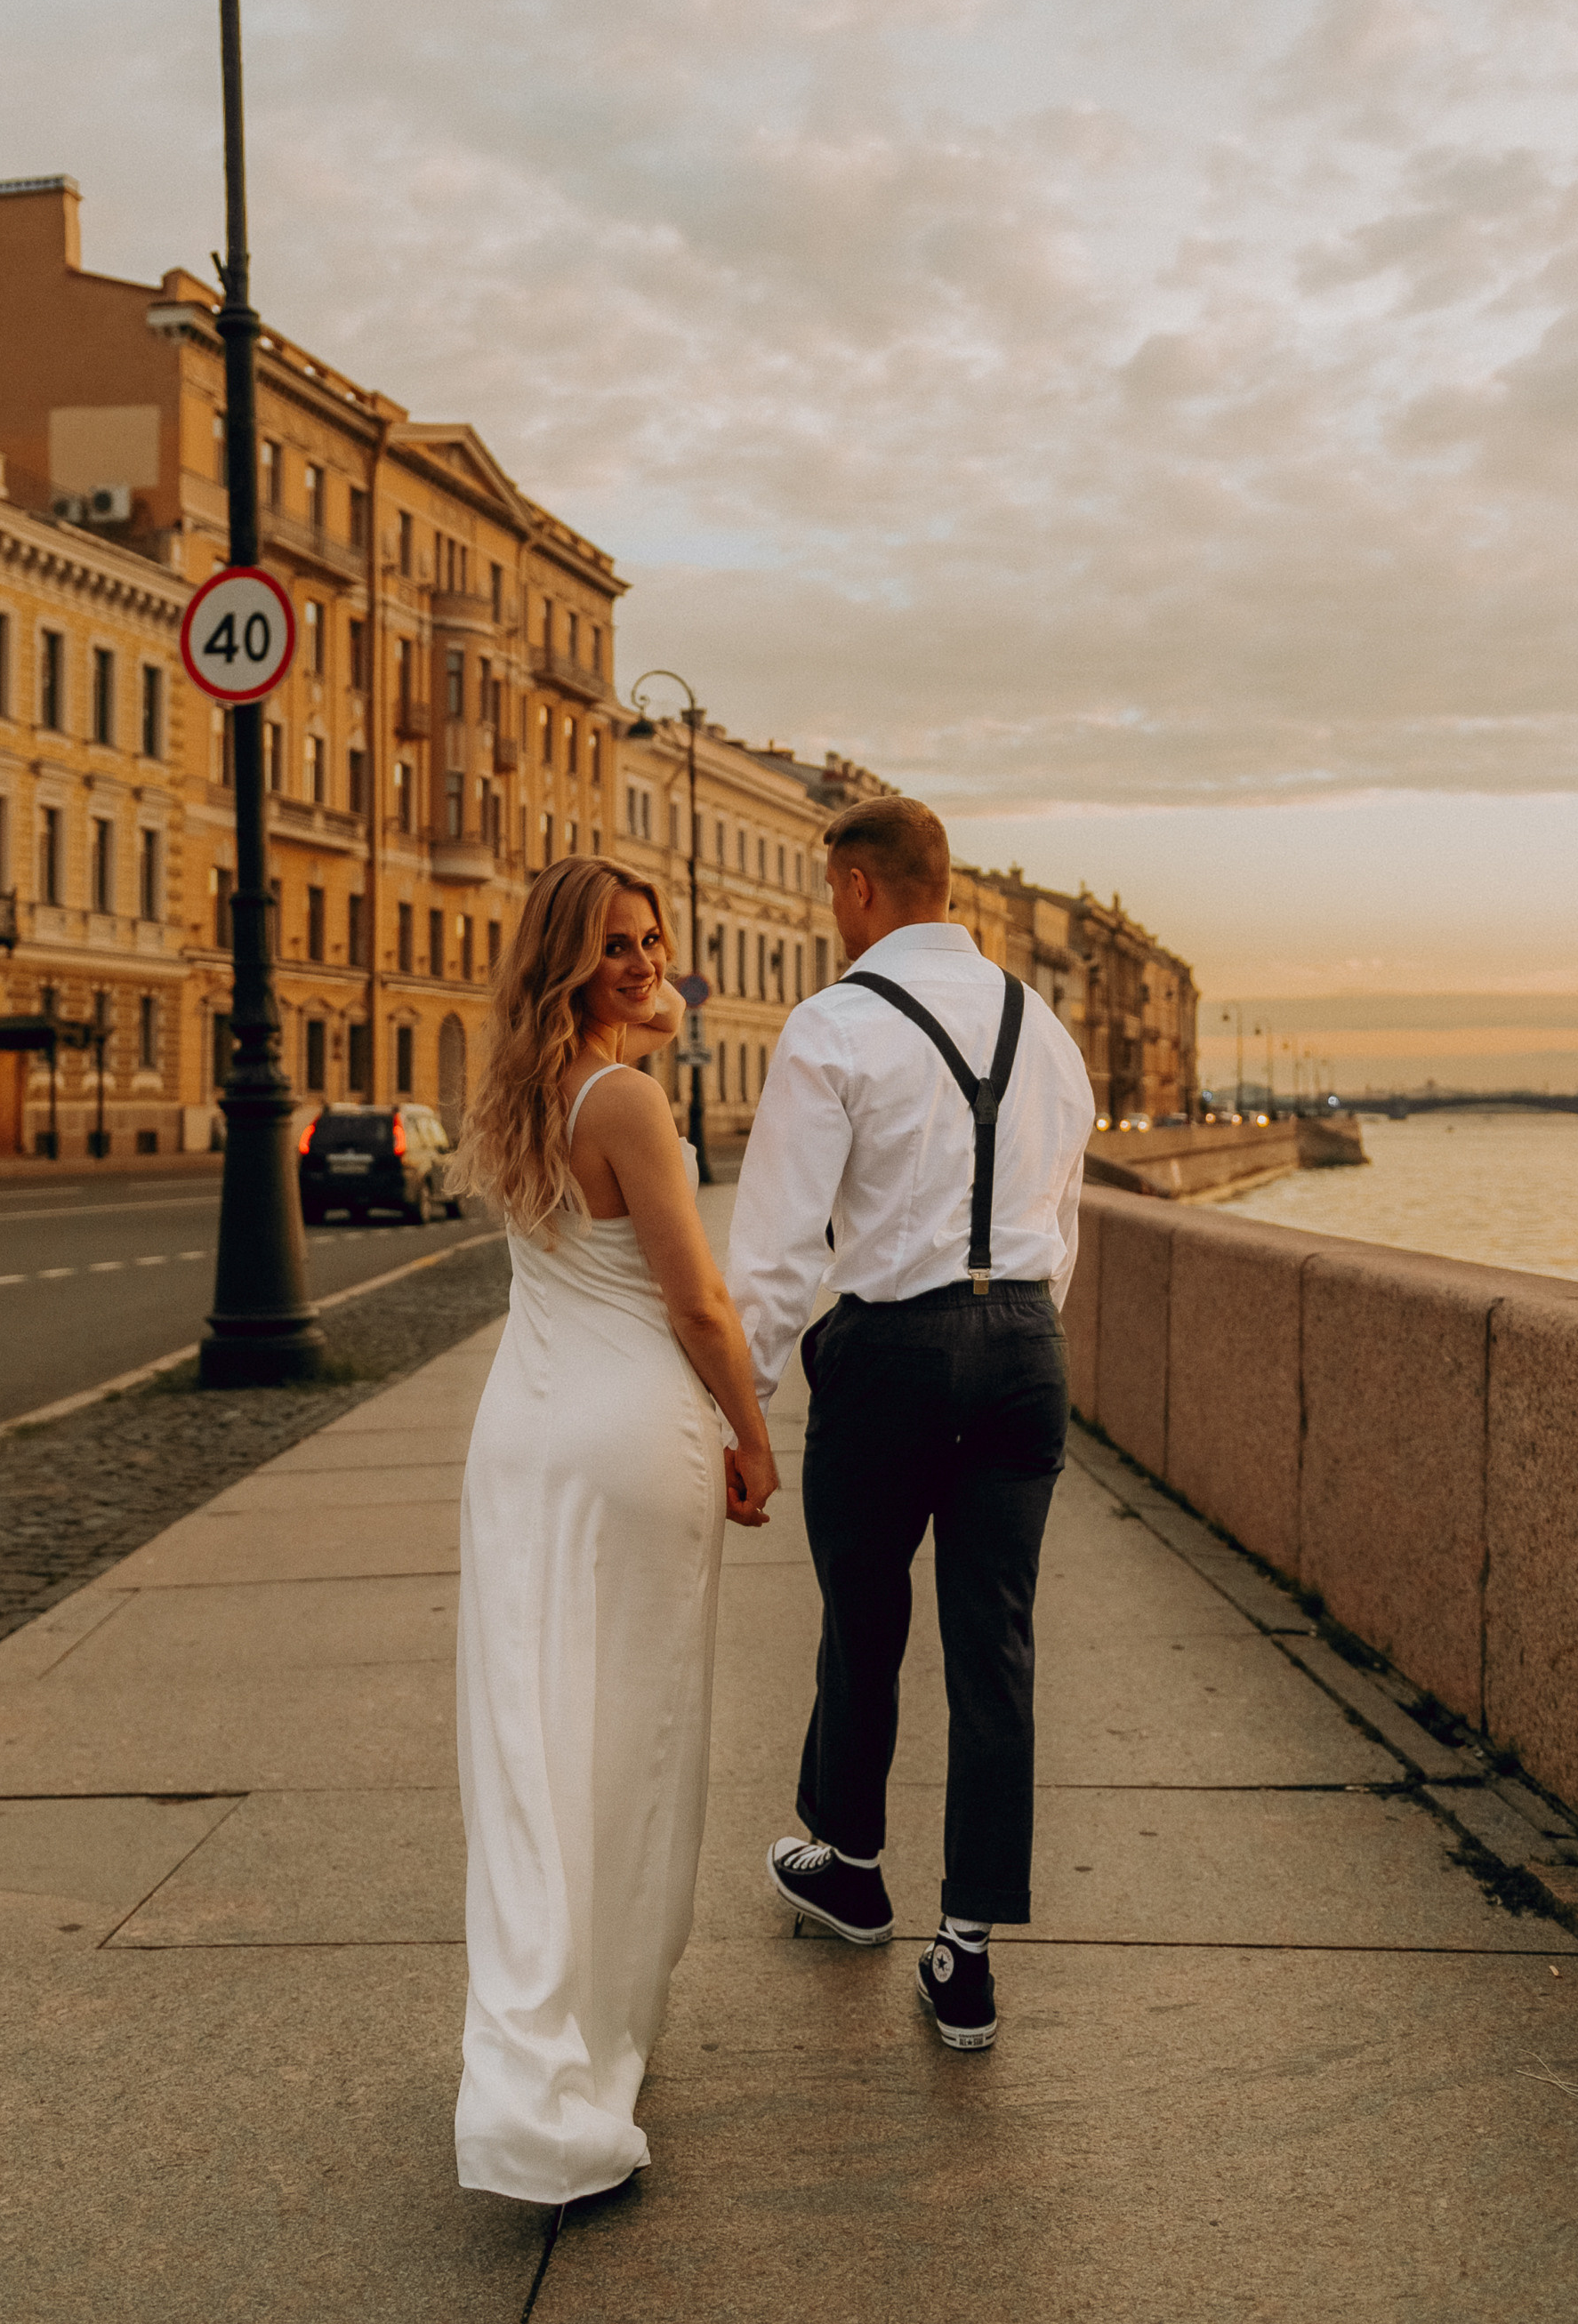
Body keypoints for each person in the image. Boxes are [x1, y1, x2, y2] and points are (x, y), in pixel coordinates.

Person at [726, 797, 1094, 2053]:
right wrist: (1020, 1341)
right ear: (948, 887)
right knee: (995, 1643)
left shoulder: (833, 1025)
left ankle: (849, 1861)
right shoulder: (1045, 1027)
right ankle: (968, 1956)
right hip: (1026, 1348)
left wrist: (741, 1406)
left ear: (855, 887)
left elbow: (776, 1249)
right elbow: (1064, 1216)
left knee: (863, 1615)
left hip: (890, 1350)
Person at [449, 857, 779, 2202]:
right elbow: (696, 1303)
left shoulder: (521, 1092)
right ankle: (598, 2045)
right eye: (617, 949)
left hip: (521, 1440)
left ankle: (540, 2046)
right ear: (569, 966)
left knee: (532, 1752)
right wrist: (755, 1439)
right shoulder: (628, 1097)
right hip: (630, 1435)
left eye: (653, 941)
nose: (649, 966)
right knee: (632, 1745)